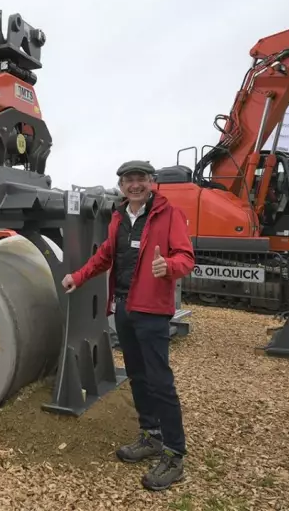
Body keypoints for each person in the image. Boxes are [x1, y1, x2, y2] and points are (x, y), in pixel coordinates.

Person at [61, 160, 195, 492]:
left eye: (140, 179)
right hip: (123, 308)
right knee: (136, 376)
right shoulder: (119, 217)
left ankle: (174, 454)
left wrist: (170, 266)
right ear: (121, 186)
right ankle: (150, 435)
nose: (134, 185)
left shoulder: (168, 214)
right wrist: (78, 277)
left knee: (160, 381)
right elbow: (107, 255)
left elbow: (187, 257)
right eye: (128, 180)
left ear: (152, 182)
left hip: (152, 311)